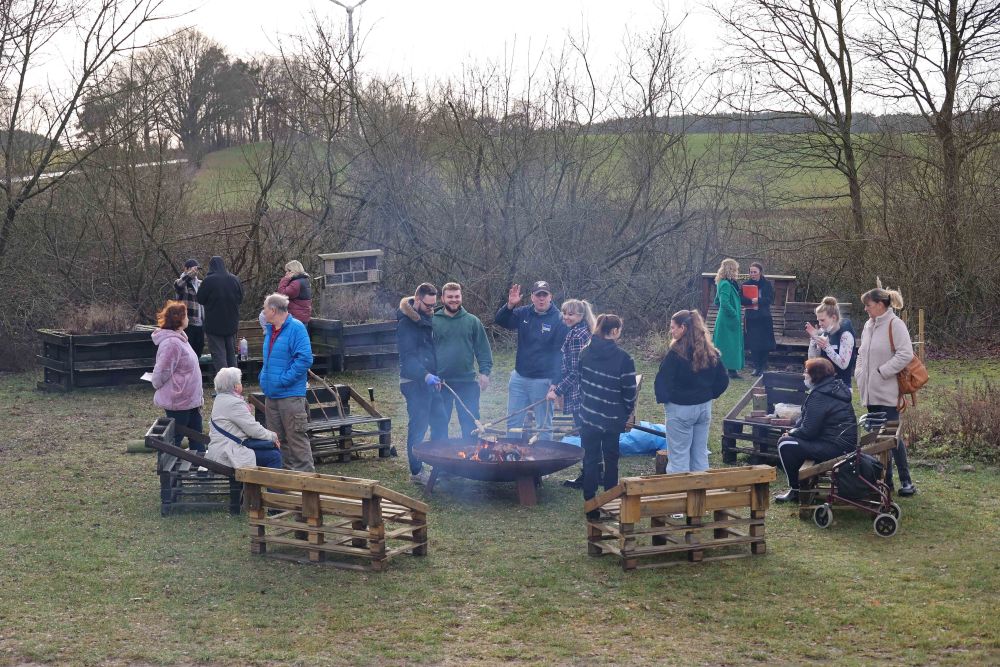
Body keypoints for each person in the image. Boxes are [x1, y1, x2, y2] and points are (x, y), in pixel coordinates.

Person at [856, 286, 917, 496]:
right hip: (870, 393)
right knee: (876, 438)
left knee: (892, 438)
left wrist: (882, 372)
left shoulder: (895, 324)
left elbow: (906, 354)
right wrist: (860, 373)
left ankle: (906, 481)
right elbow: (861, 353)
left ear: (880, 305)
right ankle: (885, 481)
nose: (865, 309)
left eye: (868, 305)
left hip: (888, 393)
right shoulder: (868, 325)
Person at [578, 314, 638, 520]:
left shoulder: (585, 353)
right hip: (612, 418)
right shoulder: (624, 358)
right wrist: (627, 411)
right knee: (611, 460)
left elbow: (581, 382)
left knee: (590, 459)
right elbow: (629, 391)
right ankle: (610, 502)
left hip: (588, 415)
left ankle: (590, 504)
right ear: (614, 332)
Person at [654, 309, 729, 473]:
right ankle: (700, 496)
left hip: (680, 409)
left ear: (684, 327)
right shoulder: (710, 352)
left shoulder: (675, 355)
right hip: (704, 408)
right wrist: (708, 394)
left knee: (678, 458)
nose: (671, 331)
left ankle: (680, 496)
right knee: (700, 456)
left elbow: (663, 381)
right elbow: (723, 380)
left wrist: (668, 399)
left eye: (673, 327)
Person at [774, 358, 858, 502]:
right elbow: (805, 420)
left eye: (806, 372)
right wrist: (793, 431)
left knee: (785, 444)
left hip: (836, 447)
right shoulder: (831, 388)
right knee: (790, 441)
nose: (804, 375)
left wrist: (791, 433)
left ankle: (795, 490)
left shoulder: (820, 395)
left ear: (816, 375)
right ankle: (800, 485)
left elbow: (808, 431)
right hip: (840, 443)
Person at [495, 281, 569, 440]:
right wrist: (509, 305)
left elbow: (560, 355)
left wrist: (555, 383)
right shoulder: (523, 313)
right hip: (519, 378)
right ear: (532, 297)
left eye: (545, 295)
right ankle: (511, 457)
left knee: (543, 426)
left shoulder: (559, 319)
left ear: (550, 297)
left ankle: (544, 462)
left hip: (543, 381)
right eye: (538, 295)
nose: (541, 299)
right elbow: (500, 321)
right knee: (513, 422)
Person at [397, 283, 447, 484]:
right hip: (413, 381)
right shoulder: (406, 324)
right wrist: (425, 375)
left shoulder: (427, 319)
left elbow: (430, 352)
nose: (431, 309)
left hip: (430, 381)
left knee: (440, 419)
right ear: (417, 301)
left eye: (434, 305)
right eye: (427, 305)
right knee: (419, 425)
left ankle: (441, 463)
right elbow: (408, 358)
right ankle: (416, 472)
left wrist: (436, 375)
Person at [259, 293, 315, 472]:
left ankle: (306, 486)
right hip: (272, 396)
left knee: (297, 441)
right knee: (278, 442)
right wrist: (264, 377)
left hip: (290, 397)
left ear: (273, 310)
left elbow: (305, 359)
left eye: (265, 309)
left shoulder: (296, 328)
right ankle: (287, 485)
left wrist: (284, 380)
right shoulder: (270, 330)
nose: (263, 312)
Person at [431, 282, 493, 439]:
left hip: (467, 383)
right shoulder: (433, 322)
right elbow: (426, 352)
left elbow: (483, 350)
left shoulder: (472, 321)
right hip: (441, 383)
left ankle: (471, 460)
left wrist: (484, 372)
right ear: (442, 299)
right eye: (450, 297)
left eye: (457, 296)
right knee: (439, 424)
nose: (454, 300)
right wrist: (431, 375)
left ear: (461, 297)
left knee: (470, 425)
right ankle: (439, 462)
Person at [150, 301, 205, 453]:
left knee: (197, 437)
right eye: (186, 315)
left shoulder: (181, 339)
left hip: (190, 399)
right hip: (178, 400)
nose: (188, 318)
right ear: (178, 319)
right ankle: (168, 474)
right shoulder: (172, 343)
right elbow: (162, 371)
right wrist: (156, 383)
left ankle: (200, 469)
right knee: (174, 439)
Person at [205, 367, 283, 470]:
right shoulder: (234, 403)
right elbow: (253, 429)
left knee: (271, 450)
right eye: (240, 382)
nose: (241, 384)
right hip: (228, 453)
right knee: (274, 456)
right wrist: (273, 436)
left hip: (222, 448)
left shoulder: (221, 399)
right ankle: (267, 486)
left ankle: (246, 485)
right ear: (235, 387)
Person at [546, 299, 597, 427]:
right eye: (564, 313)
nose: (566, 317)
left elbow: (575, 371)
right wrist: (556, 382)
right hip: (587, 391)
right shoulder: (583, 330)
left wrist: (557, 391)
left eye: (570, 314)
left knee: (584, 432)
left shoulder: (577, 337)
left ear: (580, 315)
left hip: (580, 394)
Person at [196, 255, 244, 373]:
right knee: (231, 353)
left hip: (214, 324)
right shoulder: (235, 279)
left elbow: (200, 299)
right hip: (232, 323)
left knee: (219, 354)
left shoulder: (208, 281)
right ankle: (235, 383)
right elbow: (241, 298)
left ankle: (224, 385)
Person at [807, 296, 857, 389]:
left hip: (842, 388)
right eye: (818, 320)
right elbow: (813, 360)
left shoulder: (845, 334)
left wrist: (827, 347)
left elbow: (843, 365)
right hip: (822, 385)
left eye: (822, 320)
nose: (820, 323)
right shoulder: (824, 332)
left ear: (833, 318)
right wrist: (813, 341)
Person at [741, 261, 775, 376]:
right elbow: (741, 300)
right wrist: (751, 301)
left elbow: (770, 299)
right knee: (753, 343)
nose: (753, 274)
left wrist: (758, 301)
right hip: (751, 318)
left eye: (755, 272)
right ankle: (756, 367)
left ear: (760, 272)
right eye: (751, 272)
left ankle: (762, 366)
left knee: (765, 343)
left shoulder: (767, 284)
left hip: (764, 318)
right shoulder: (746, 284)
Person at [712, 258, 744, 379]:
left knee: (725, 344)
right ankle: (730, 371)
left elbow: (716, 301)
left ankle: (730, 370)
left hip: (725, 319)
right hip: (728, 320)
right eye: (736, 269)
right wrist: (734, 314)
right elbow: (723, 303)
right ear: (731, 269)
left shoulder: (723, 282)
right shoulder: (725, 284)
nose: (737, 272)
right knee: (730, 345)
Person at [173, 259, 205, 357]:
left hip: (200, 324)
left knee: (198, 350)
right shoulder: (181, 282)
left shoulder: (200, 283)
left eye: (197, 269)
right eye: (192, 269)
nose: (195, 272)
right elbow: (179, 285)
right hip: (187, 324)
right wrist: (189, 275)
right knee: (188, 353)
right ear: (186, 269)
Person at [277, 260, 313, 325]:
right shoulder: (304, 280)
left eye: (288, 271)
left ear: (292, 271)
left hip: (296, 318)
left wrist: (285, 279)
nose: (286, 273)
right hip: (303, 317)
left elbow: (282, 294)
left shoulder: (296, 283)